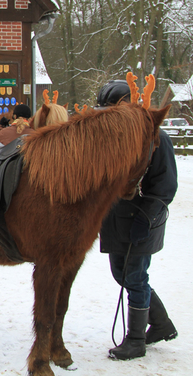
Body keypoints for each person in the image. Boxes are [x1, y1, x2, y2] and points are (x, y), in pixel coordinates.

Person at [96, 79, 178, 360]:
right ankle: (161, 324)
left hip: (142, 219)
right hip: (116, 220)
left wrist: (147, 218)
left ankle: (135, 340)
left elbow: (166, 187)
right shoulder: (115, 140)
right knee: (121, 274)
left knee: (134, 276)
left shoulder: (158, 139)